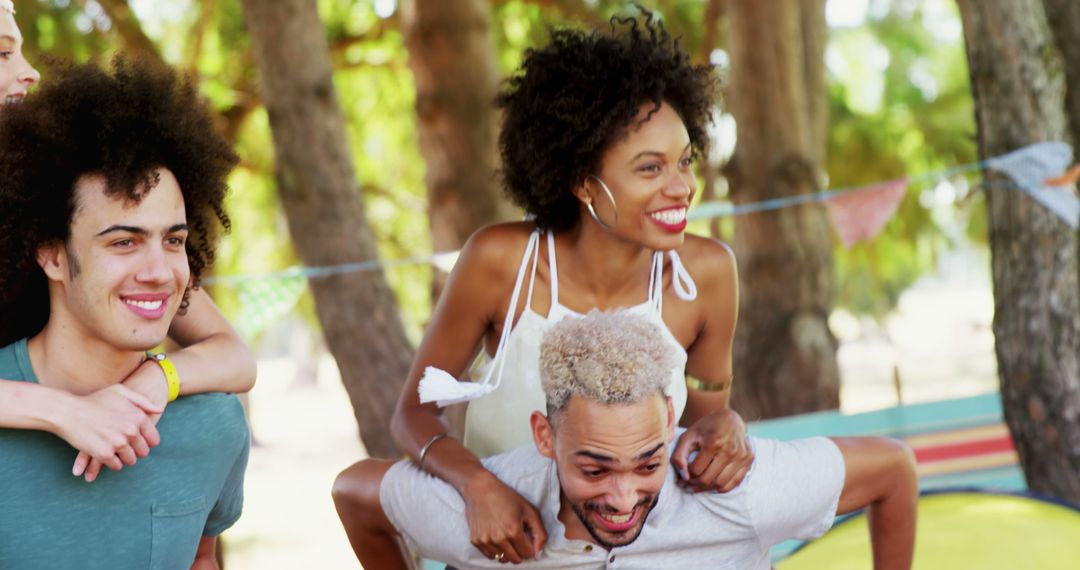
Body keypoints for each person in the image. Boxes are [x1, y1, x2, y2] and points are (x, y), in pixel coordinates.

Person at [337, 11, 755, 563]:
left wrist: (728, 426)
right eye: (650, 169)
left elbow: (698, 433)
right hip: (510, 551)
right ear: (583, 181)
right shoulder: (500, 262)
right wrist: (476, 485)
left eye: (684, 161)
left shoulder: (707, 275)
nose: (683, 187)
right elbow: (413, 415)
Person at [334, 311, 918, 569]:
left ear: (670, 423)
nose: (621, 497)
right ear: (545, 436)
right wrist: (473, 484)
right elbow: (354, 491)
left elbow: (893, 470)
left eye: (647, 464)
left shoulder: (737, 490)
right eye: (593, 470)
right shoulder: (493, 510)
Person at [0, 57, 249, 568]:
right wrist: (66, 411)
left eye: (173, 240)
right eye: (123, 242)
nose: (158, 270)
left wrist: (158, 381)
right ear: (49, 253)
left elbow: (202, 557)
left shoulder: (214, 426)